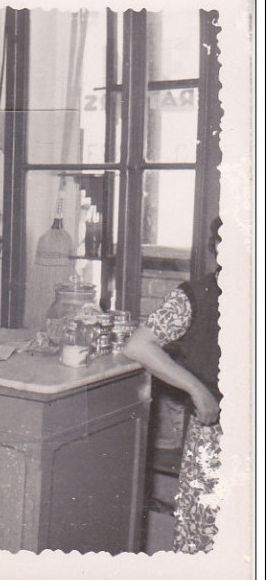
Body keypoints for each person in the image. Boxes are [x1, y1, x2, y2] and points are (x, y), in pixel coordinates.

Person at [124, 218, 222, 553]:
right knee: (206, 540)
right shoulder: (196, 296)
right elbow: (138, 346)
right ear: (218, 249)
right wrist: (197, 389)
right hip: (216, 435)